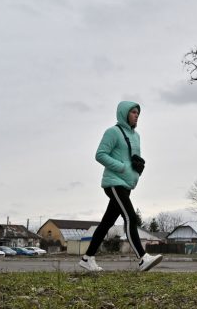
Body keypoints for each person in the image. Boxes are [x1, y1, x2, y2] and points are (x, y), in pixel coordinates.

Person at [79, 101, 163, 272]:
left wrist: (137, 170)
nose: (136, 115)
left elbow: (133, 158)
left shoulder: (136, 136)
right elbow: (100, 154)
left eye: (138, 113)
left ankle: (88, 258)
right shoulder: (113, 132)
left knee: (106, 223)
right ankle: (142, 258)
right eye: (133, 112)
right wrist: (122, 167)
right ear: (124, 114)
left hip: (127, 184)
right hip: (114, 182)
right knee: (131, 217)